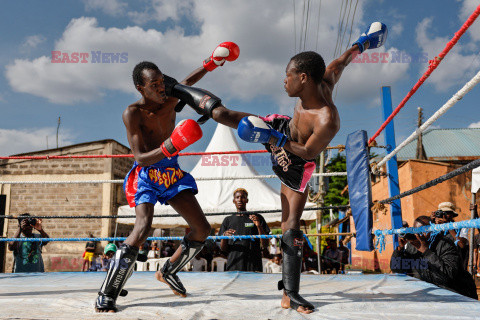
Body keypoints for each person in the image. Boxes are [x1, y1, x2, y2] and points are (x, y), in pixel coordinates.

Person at [172, 22, 387, 313]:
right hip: (283, 129)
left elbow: (309, 151)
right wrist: (365, 42)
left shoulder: (327, 118)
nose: (283, 82)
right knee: (225, 114)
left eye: (287, 76)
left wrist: (272, 139)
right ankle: (180, 90)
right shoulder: (325, 77)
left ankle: (291, 293)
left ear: (302, 78)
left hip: (297, 161)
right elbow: (344, 58)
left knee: (291, 228)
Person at [94, 41, 240, 313]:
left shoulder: (171, 98)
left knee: (202, 229)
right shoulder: (133, 113)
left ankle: (169, 270)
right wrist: (171, 145)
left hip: (171, 172)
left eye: (162, 82)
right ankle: (108, 292)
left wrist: (211, 63)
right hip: (147, 173)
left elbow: (188, 83)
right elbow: (138, 157)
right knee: (142, 228)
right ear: (141, 88)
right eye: (154, 85)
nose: (161, 88)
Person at [390, 216, 477, 299]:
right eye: (417, 231)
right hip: (431, 295)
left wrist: (426, 251)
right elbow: (397, 270)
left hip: (457, 294)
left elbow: (448, 276)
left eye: (423, 231)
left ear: (432, 230)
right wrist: (399, 250)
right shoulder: (412, 246)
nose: (420, 235)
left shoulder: (445, 243)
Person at [218, 188, 270, 271]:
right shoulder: (228, 220)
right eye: (237, 197)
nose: (240, 200)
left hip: (253, 263)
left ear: (247, 200)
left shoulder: (257, 217)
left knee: (253, 284)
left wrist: (258, 226)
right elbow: (223, 249)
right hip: (234, 263)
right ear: (233, 200)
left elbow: (265, 244)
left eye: (243, 197)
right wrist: (224, 237)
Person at [432, 202, 469, 270]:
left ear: (453, 215)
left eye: (447, 213)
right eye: (442, 213)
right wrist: (432, 223)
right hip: (438, 266)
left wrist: (448, 225)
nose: (444, 215)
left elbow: (462, 245)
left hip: (456, 268)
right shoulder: (435, 228)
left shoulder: (461, 227)